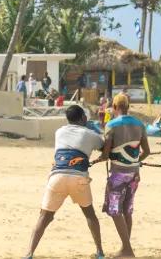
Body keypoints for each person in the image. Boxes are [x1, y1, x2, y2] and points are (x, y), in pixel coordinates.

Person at [24, 105, 105, 259]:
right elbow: (103, 147)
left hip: (57, 177)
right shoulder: (90, 134)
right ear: (83, 118)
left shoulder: (59, 132)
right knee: (90, 215)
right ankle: (100, 252)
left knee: (44, 216)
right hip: (79, 179)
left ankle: (29, 253)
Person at [102, 94, 150, 257]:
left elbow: (105, 152)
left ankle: (127, 249)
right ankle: (125, 248)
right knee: (127, 210)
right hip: (134, 174)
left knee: (115, 210)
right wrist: (135, 162)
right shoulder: (139, 124)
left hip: (118, 174)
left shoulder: (111, 125)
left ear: (115, 107)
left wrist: (100, 157)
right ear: (128, 107)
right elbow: (146, 151)